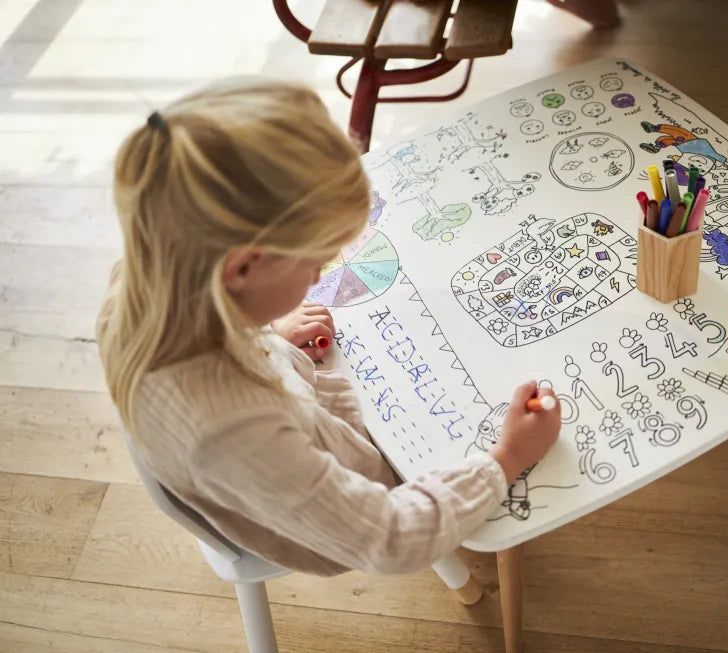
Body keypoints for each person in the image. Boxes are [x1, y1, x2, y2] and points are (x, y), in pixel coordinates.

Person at [96, 80, 561, 576]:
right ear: (242, 270)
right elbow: (390, 540)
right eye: (316, 262)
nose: (321, 277)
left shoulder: (152, 276)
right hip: (327, 525)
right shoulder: (229, 428)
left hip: (289, 446)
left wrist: (264, 334)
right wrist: (507, 457)